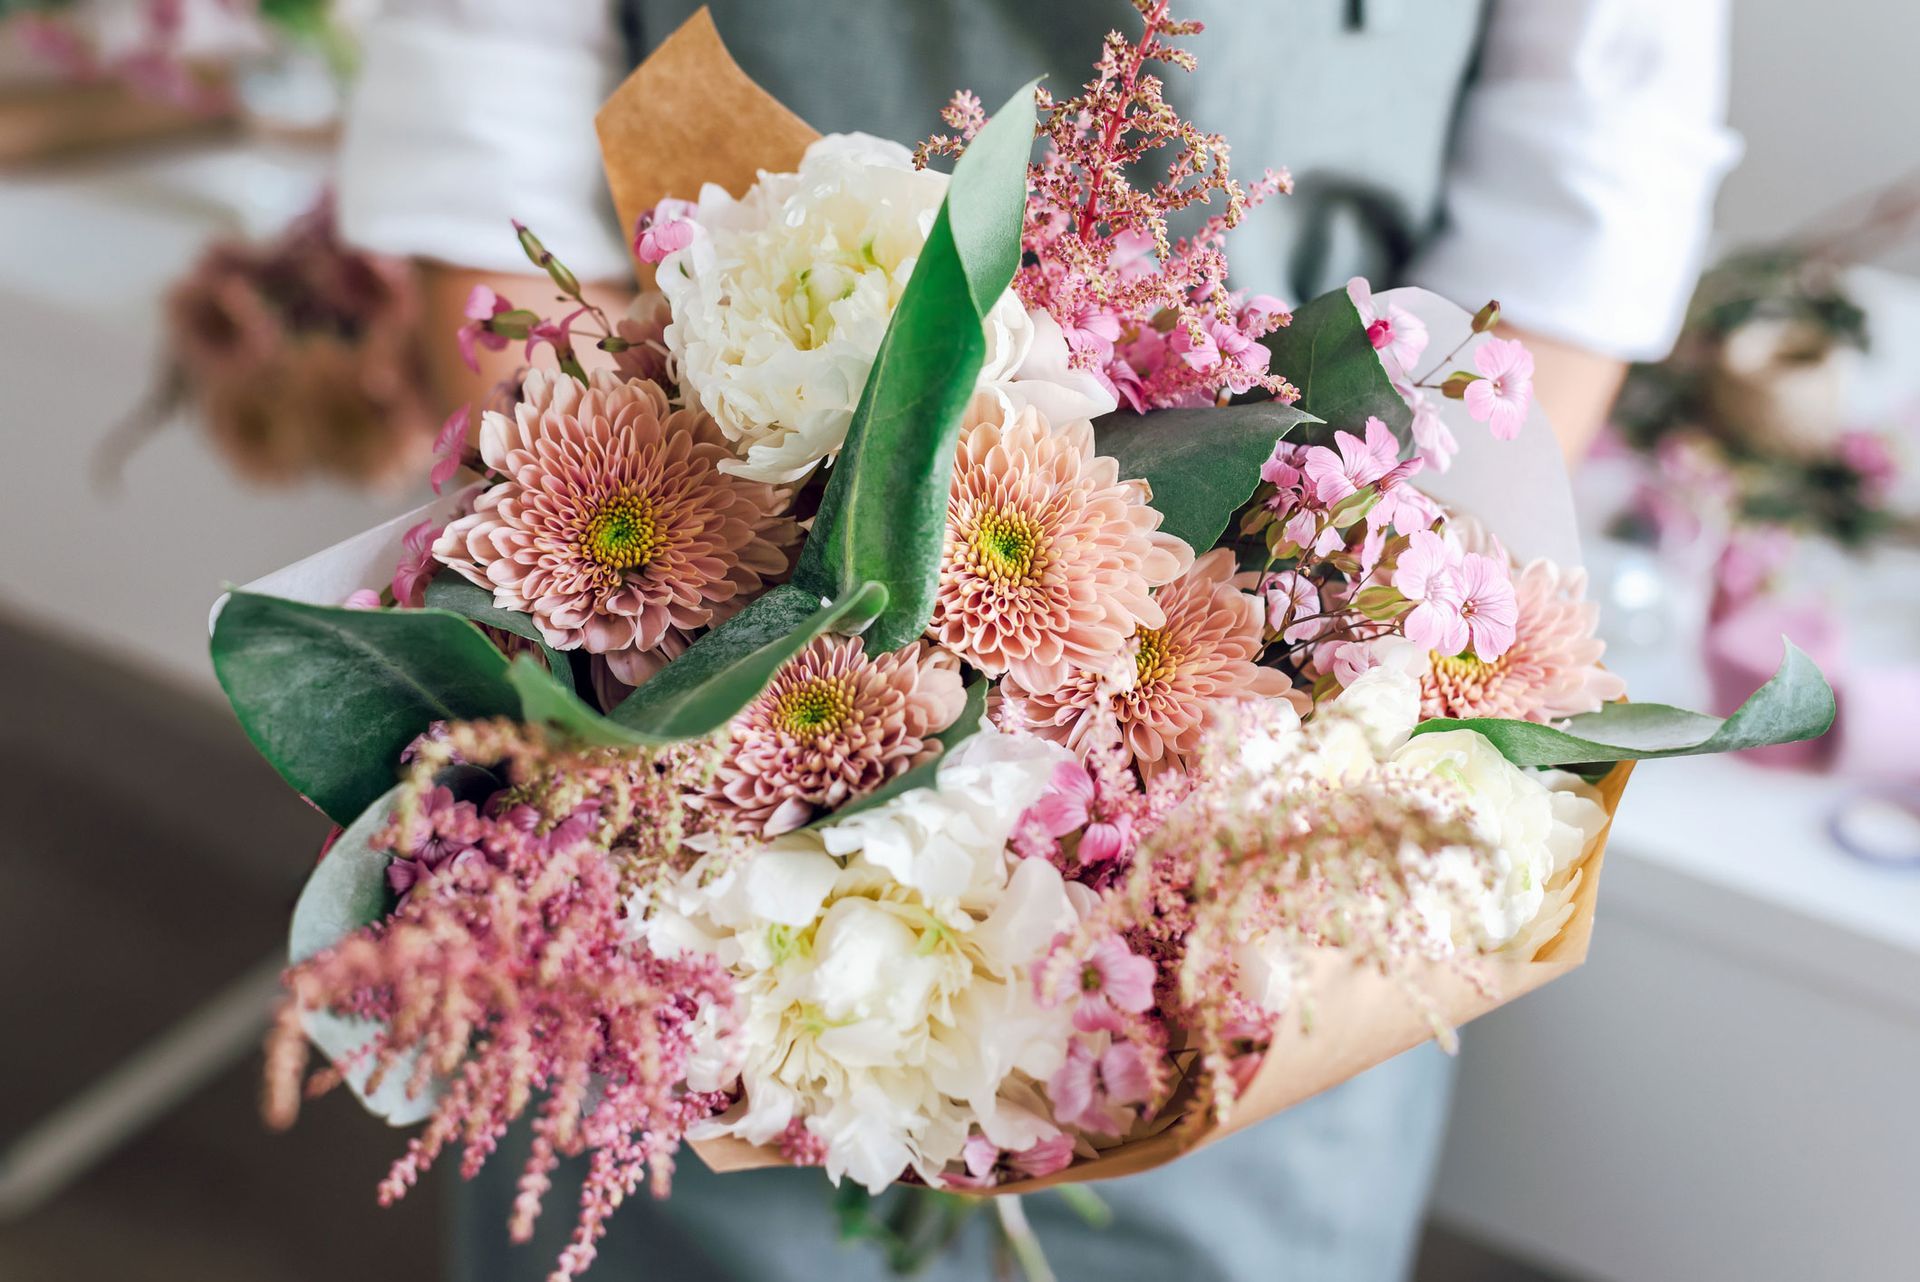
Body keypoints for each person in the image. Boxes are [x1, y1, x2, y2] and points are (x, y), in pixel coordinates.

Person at [334, 2, 1739, 1278]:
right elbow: (491, 69)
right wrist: (647, 573)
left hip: (1263, 775)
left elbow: (1584, 177)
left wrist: (1332, 631)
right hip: (695, 689)